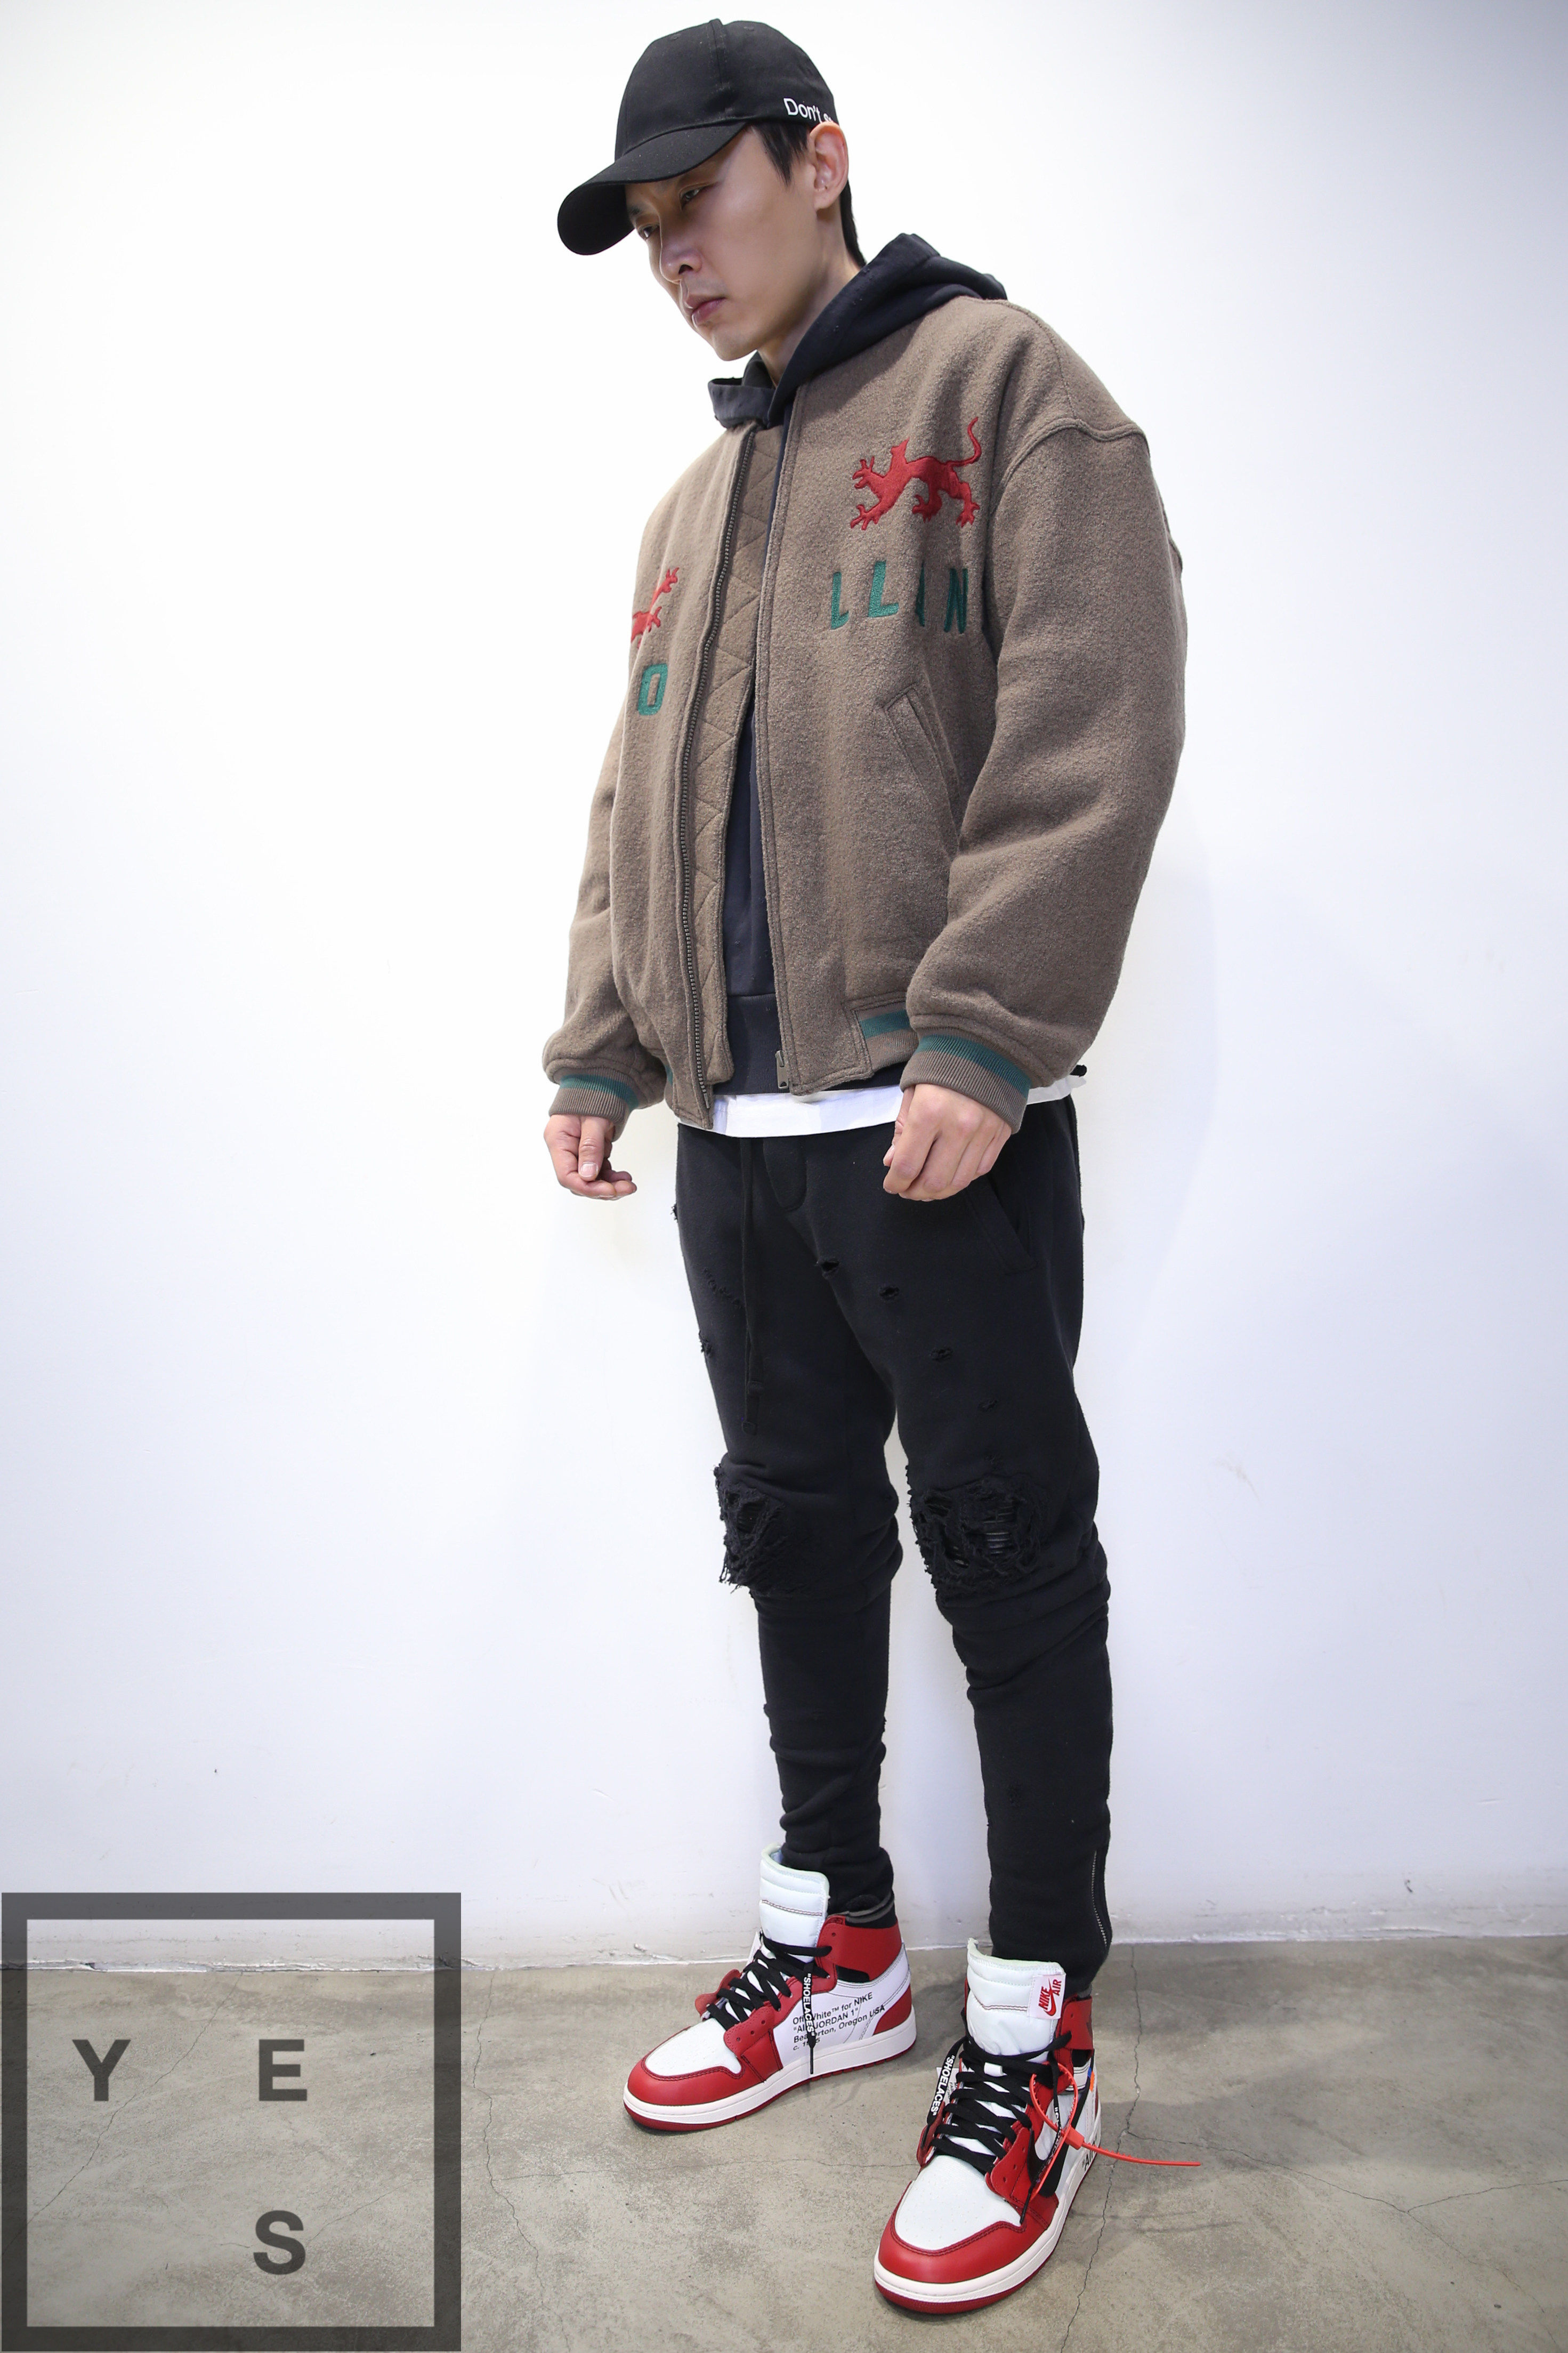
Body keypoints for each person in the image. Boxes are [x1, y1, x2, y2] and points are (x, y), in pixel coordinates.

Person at [542, 17, 1186, 2314]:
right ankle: (836, 1949)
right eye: (640, 223)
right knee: (794, 1534)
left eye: (695, 197)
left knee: (1008, 1557)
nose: (670, 251)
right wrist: (606, 1040)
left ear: (816, 161)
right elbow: (635, 793)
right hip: (737, 1134)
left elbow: (1095, 717)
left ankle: (1038, 2026)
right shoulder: (692, 500)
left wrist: (990, 1027)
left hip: (934, 1123)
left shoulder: (1006, 389)